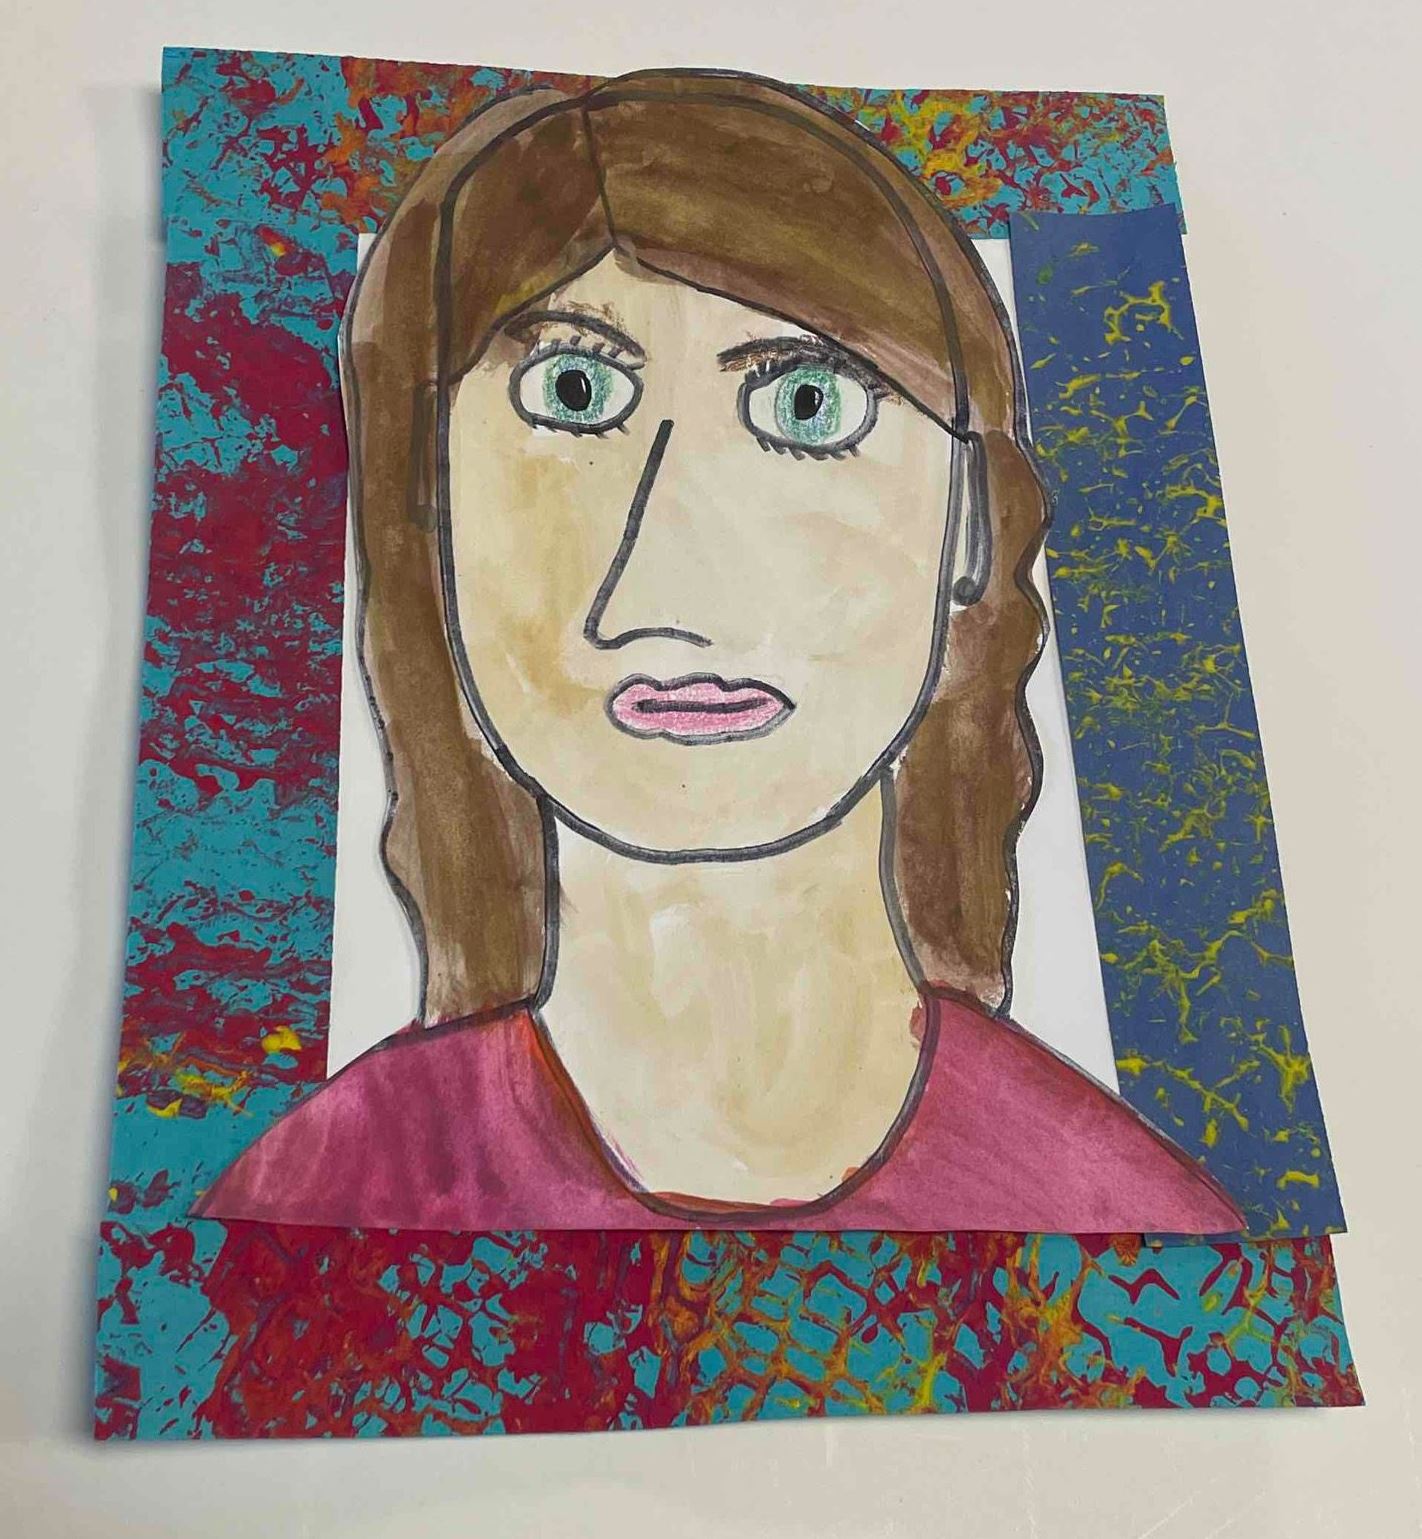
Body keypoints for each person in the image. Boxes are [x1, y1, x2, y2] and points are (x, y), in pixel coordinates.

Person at [195, 70, 1242, 1236]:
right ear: (424, 513)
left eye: (810, 407)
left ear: (973, 526)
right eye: (573, 393)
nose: (670, 588)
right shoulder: (306, 1207)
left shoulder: (1140, 1231)